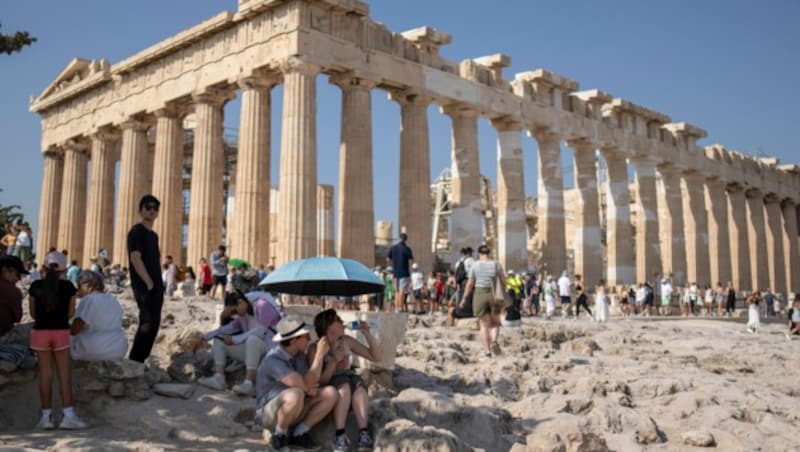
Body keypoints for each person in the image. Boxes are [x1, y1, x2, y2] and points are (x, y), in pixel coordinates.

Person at [255, 317, 338, 451]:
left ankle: (299, 433)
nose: (310, 338)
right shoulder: (273, 359)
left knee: (331, 393)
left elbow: (311, 382)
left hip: (294, 407)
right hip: (269, 414)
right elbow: (303, 384)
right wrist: (319, 356)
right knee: (296, 393)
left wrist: (306, 387)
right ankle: (279, 435)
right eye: (305, 336)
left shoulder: (298, 356)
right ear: (294, 340)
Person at [28, 251, 88, 429]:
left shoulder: (35, 286)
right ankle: (68, 416)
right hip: (61, 331)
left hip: (40, 332)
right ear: (63, 269)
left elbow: (32, 313)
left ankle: (46, 417)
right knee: (64, 375)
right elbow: (70, 313)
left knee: (45, 375)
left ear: (44, 267)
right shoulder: (69, 287)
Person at [312, 309, 379, 451]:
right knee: (345, 386)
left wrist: (367, 334)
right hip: (333, 385)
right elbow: (320, 381)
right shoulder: (317, 348)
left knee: (359, 387)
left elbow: (375, 357)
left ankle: (363, 433)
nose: (342, 321)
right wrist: (333, 362)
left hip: (349, 378)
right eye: (337, 319)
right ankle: (340, 435)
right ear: (329, 327)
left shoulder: (346, 341)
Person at [198, 291, 269, 396]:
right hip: (251, 354)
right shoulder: (243, 317)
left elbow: (261, 330)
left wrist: (235, 339)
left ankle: (249, 383)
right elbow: (225, 329)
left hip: (267, 352)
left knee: (253, 339)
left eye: (234, 311)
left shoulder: (262, 305)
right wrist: (205, 337)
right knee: (219, 339)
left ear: (240, 302)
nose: (234, 315)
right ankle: (219, 378)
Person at [127, 194, 164, 363]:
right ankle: (135, 360)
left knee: (154, 323)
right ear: (140, 210)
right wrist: (148, 282)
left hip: (155, 284)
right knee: (147, 322)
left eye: (155, 208)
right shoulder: (137, 231)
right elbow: (135, 258)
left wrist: (156, 284)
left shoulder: (153, 235)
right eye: (148, 207)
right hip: (144, 285)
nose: (152, 211)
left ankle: (140, 360)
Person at [70, 271, 127, 361]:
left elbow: (76, 328)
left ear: (89, 285)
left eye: (79, 286)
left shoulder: (88, 300)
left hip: (94, 350)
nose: (78, 290)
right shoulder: (112, 299)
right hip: (118, 349)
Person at [460, 245, 505, 357]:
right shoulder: (496, 264)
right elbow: (504, 281)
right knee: (495, 322)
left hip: (480, 293)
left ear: (479, 254)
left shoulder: (475, 265)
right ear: (489, 253)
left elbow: (470, 284)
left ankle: (487, 351)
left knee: (484, 325)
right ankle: (494, 340)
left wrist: (464, 298)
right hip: (494, 294)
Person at [386, 233, 413, 313]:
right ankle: (400, 307)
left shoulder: (393, 248)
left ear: (399, 238)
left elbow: (388, 259)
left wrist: (394, 263)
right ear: (406, 239)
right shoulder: (407, 249)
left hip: (395, 272)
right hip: (404, 272)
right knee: (402, 291)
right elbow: (411, 260)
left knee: (396, 291)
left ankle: (396, 307)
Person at [0, 256, 26, 337]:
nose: (19, 279)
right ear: (4, 270)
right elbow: (18, 317)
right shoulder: (13, 291)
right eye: (17, 275)